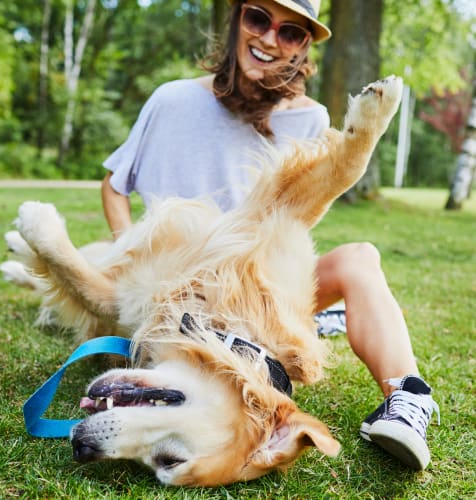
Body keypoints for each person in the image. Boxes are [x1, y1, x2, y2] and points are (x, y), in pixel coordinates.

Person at [101, 0, 439, 470]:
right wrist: (128, 254)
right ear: (237, 18)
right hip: (178, 286)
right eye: (258, 18)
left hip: (257, 284)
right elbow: (114, 186)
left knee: (360, 257)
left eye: (291, 33)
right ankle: (331, 321)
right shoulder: (171, 99)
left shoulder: (311, 119)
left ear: (304, 48)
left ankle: (406, 400)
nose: (268, 39)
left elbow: (292, 226)